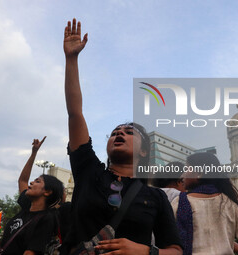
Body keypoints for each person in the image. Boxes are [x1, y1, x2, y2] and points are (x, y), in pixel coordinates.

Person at [61, 18, 183, 255]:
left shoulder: (155, 197)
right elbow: (75, 113)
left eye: (129, 133)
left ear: (145, 151)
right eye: (115, 132)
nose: (119, 134)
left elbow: (176, 250)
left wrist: (145, 251)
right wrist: (71, 60)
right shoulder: (89, 172)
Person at [171, 152, 238, 255]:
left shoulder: (178, 202)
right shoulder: (232, 203)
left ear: (200, 173)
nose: (182, 176)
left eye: (186, 169)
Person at [0, 137, 65, 255]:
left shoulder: (47, 219)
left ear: (47, 192)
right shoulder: (27, 206)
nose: (31, 183)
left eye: (37, 181)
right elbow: (23, 180)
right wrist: (34, 152)